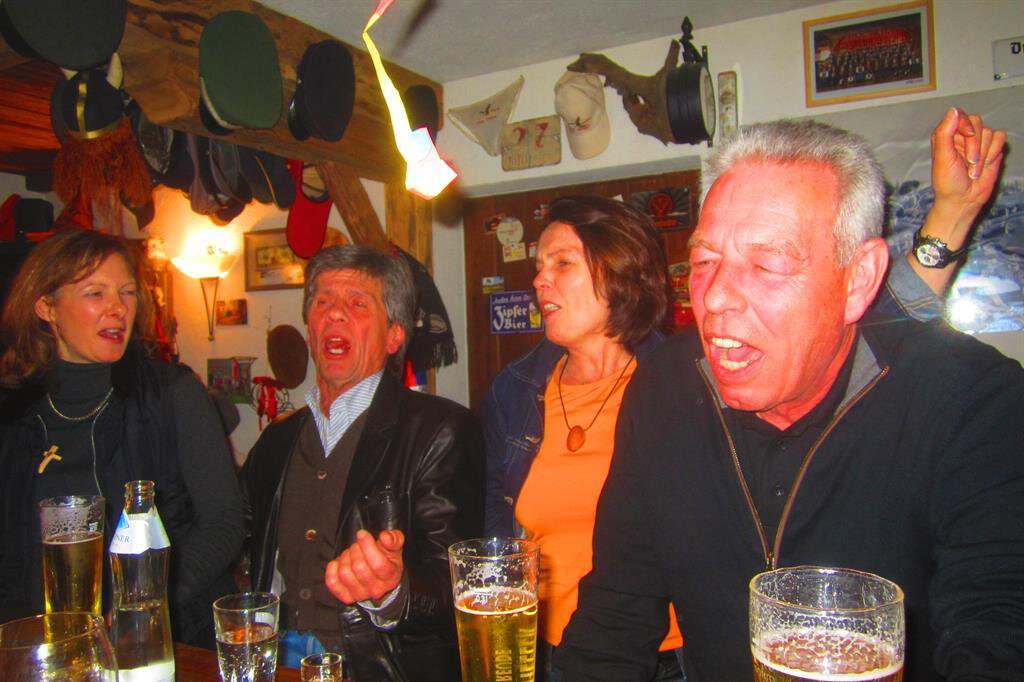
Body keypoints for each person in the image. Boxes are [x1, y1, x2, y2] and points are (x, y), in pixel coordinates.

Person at [484, 108, 1004, 682]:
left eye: (766, 263)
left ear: (857, 280)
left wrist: (953, 213)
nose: (715, 298)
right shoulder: (663, 389)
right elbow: (617, 611)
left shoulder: (972, 400)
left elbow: (998, 626)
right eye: (705, 261)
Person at [240, 244, 484, 680]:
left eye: (357, 304)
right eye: (323, 303)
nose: (335, 314)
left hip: (374, 665)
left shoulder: (441, 430)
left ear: (394, 336)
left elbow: (461, 586)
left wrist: (393, 591)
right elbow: (243, 546)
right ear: (310, 329)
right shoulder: (275, 441)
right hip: (274, 659)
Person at [0, 227, 244, 646]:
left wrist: (146, 602)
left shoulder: (171, 395)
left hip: (168, 641)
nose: (118, 308)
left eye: (127, 293)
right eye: (95, 293)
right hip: (38, 647)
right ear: (46, 306)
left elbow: (225, 522)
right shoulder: (13, 413)